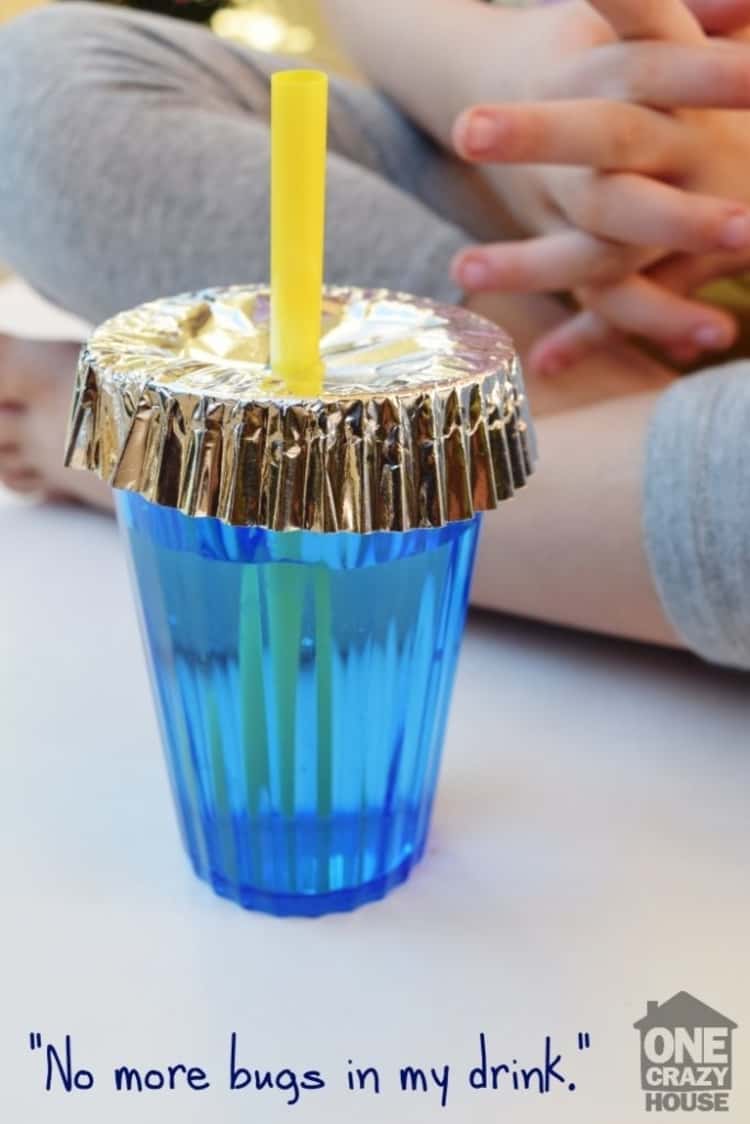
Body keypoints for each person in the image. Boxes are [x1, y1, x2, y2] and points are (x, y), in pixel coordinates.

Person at [0, 0, 749, 669]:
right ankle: (595, 458)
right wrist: (502, 85)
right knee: (41, 93)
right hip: (551, 220)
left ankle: (181, 470)